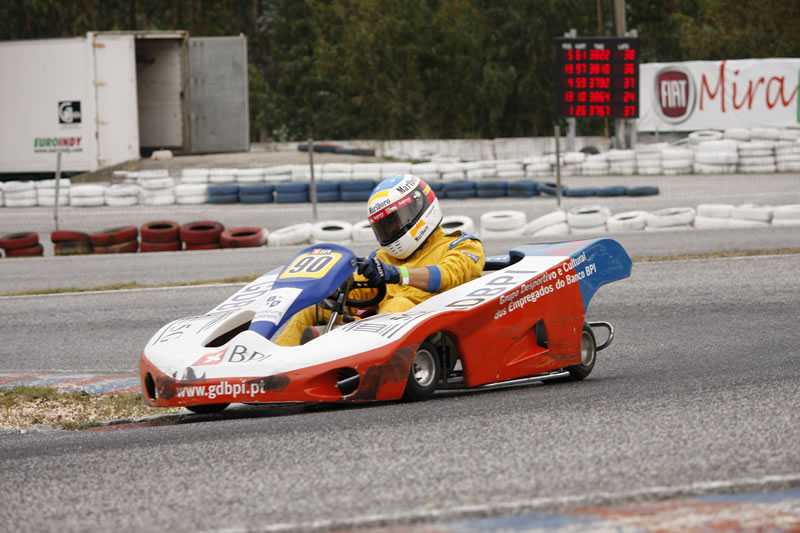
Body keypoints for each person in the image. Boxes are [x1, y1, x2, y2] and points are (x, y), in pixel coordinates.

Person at [275, 173, 485, 346]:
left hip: (434, 330)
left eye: (395, 223)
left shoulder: (462, 245)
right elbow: (359, 292)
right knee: (313, 308)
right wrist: (335, 286)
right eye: (384, 227)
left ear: (419, 209)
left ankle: (353, 357)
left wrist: (398, 275)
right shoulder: (383, 257)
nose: (391, 231)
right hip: (377, 330)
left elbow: (447, 277)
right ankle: (273, 372)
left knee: (399, 304)